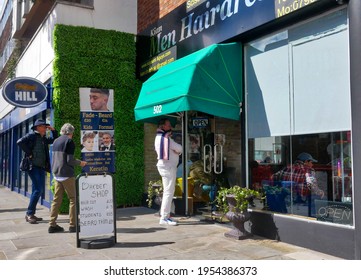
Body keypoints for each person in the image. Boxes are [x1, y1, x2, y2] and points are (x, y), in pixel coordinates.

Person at [17, 119, 59, 224]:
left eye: (45, 126)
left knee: (37, 190)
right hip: (32, 166)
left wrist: (53, 130)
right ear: (38, 127)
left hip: (40, 167)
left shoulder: (43, 138)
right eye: (43, 126)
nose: (45, 128)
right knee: (38, 190)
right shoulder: (31, 136)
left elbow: (55, 139)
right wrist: (29, 153)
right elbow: (19, 142)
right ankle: (29, 214)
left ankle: (31, 213)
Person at [49, 123, 87, 233]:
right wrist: (81, 163)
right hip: (66, 174)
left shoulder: (56, 141)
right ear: (71, 132)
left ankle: (52, 225)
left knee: (56, 200)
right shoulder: (69, 141)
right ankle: (73, 225)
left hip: (56, 174)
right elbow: (70, 160)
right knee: (73, 199)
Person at [154, 118, 182, 225]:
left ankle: (166, 215)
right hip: (168, 167)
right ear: (162, 126)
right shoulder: (166, 139)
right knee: (168, 192)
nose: (170, 127)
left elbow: (177, 150)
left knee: (167, 192)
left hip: (164, 166)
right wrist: (177, 151)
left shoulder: (158, 137)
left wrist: (177, 152)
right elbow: (180, 148)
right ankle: (165, 217)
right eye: (168, 125)